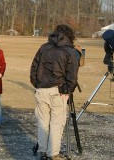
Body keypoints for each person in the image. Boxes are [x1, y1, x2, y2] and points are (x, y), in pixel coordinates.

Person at [30, 24, 79, 160]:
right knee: (56, 124)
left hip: (41, 90)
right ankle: (53, 154)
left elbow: (34, 67)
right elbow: (72, 75)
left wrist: (37, 84)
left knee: (43, 123)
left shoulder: (44, 47)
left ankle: (42, 151)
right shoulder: (70, 51)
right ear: (69, 36)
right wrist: (68, 90)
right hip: (58, 91)